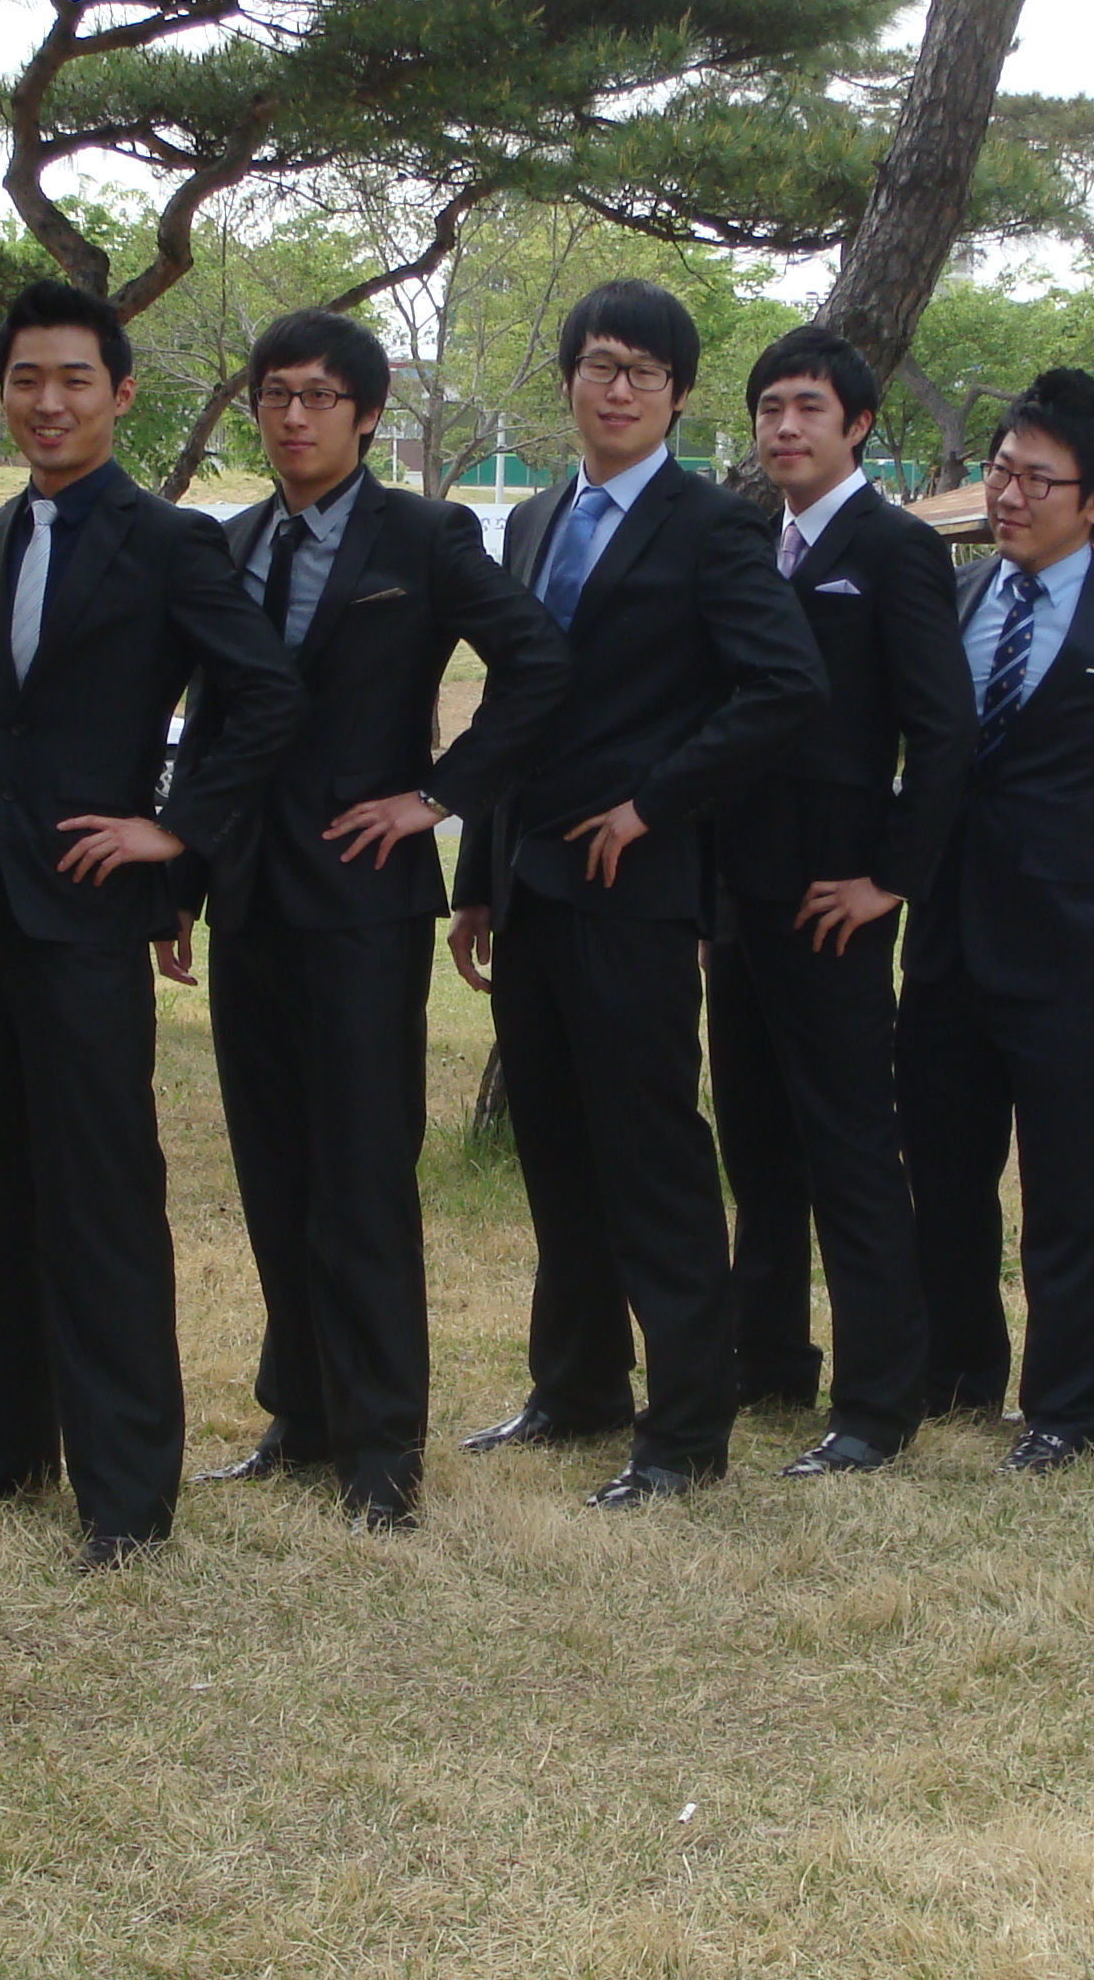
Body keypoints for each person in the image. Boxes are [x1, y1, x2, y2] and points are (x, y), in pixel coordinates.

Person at [0, 278, 304, 1567]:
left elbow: (267, 696)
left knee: (101, 1201)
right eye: (26, 379)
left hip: (85, 915)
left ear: (119, 393)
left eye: (74, 379)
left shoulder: (172, 542)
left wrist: (174, 832)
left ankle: (126, 1495)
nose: (48, 402)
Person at [173, 310, 570, 1530]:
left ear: (367, 415)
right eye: (275, 395)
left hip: (362, 897)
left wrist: (439, 797)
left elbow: (539, 664)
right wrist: (179, 881)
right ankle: (299, 1415)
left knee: (360, 1171)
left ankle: (383, 1445)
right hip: (248, 895)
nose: (293, 416)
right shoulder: (232, 543)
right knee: (272, 1167)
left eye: (319, 397)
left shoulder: (425, 534)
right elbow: (217, 722)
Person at [449, 279, 824, 1508]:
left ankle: (686, 1429)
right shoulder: (532, 518)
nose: (619, 390)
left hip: (636, 887)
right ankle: (576, 1387)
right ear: (568, 378)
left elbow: (784, 687)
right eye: (601, 366)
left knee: (652, 1156)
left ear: (675, 397)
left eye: (645, 374)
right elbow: (517, 707)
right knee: (556, 1147)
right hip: (528, 883)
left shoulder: (714, 526)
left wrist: (656, 804)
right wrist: (476, 876)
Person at [897, 367, 1094, 1469]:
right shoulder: (952, 600)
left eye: (1038, 479)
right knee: (945, 1175)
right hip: (945, 944)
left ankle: (1070, 1404)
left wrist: (1091, 891)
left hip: (1076, 958)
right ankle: (956, 1373)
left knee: (1076, 1192)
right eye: (1000, 471)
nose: (1009, 495)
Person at [705, 325, 973, 1477]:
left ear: (858, 424)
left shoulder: (897, 547)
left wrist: (891, 880)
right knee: (756, 1140)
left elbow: (944, 731)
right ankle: (766, 1357)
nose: (785, 427)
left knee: (851, 1147)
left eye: (809, 407)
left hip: (837, 896)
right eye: (769, 407)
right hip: (739, 890)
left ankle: (878, 1400)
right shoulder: (744, 541)